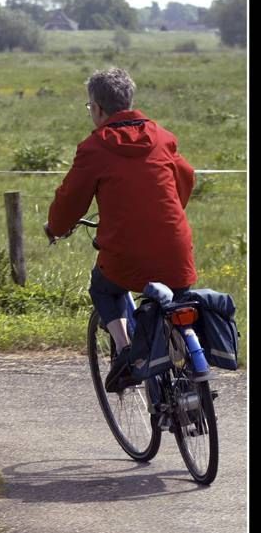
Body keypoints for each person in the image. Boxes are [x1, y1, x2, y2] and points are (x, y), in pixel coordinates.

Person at [44, 67, 196, 392]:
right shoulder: (163, 137)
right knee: (178, 302)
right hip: (176, 251)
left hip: (125, 259)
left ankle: (127, 352)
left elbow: (70, 201)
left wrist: (55, 228)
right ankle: (183, 366)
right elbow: (186, 178)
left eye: (89, 107)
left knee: (102, 286)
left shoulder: (94, 148)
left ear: (98, 108)